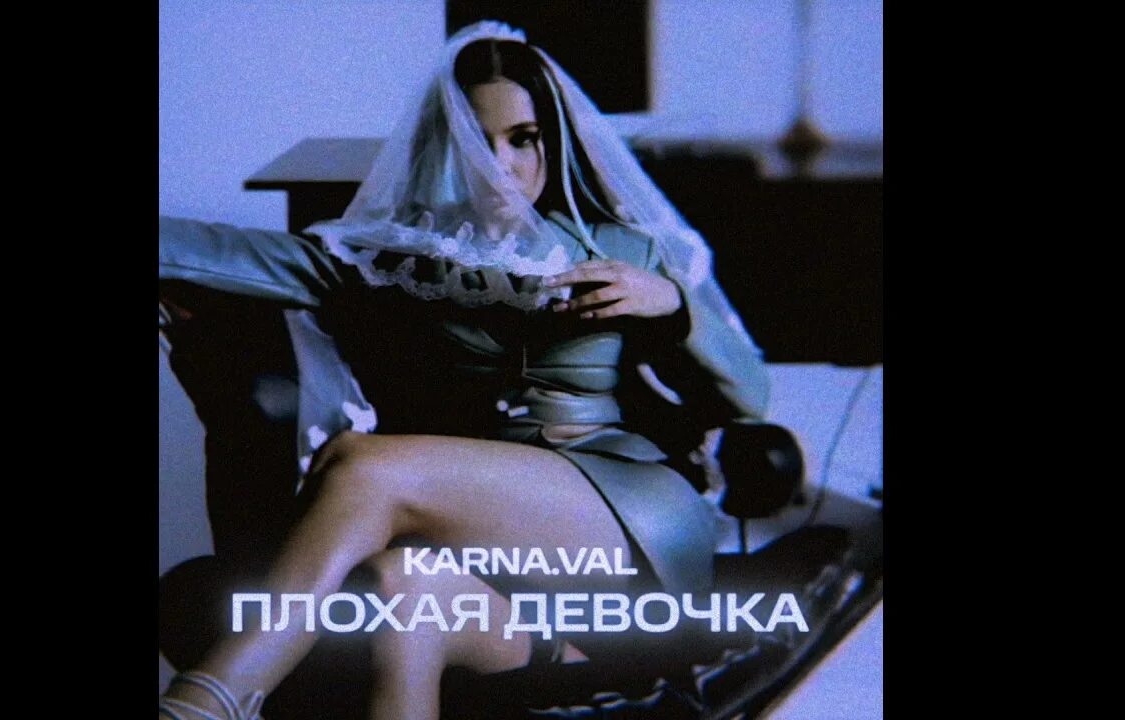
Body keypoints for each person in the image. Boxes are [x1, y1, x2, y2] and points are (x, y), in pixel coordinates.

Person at [158, 20, 769, 720]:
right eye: (479, 140)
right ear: (449, 146)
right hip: (479, 543)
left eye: (523, 139)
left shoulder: (625, 248)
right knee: (405, 584)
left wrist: (672, 305)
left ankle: (207, 700)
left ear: (552, 141)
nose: (501, 164)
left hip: (619, 521)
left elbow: (749, 397)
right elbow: (219, 250)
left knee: (364, 465)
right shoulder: (397, 254)